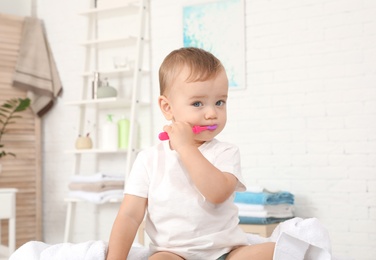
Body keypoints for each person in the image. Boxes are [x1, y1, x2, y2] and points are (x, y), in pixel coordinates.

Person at [106, 47, 275, 260]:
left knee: (279, 252)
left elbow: (217, 193)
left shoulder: (225, 152)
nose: (212, 113)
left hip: (226, 252)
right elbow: (129, 216)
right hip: (173, 254)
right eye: (197, 103)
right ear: (167, 108)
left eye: (220, 102)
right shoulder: (148, 159)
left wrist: (186, 148)